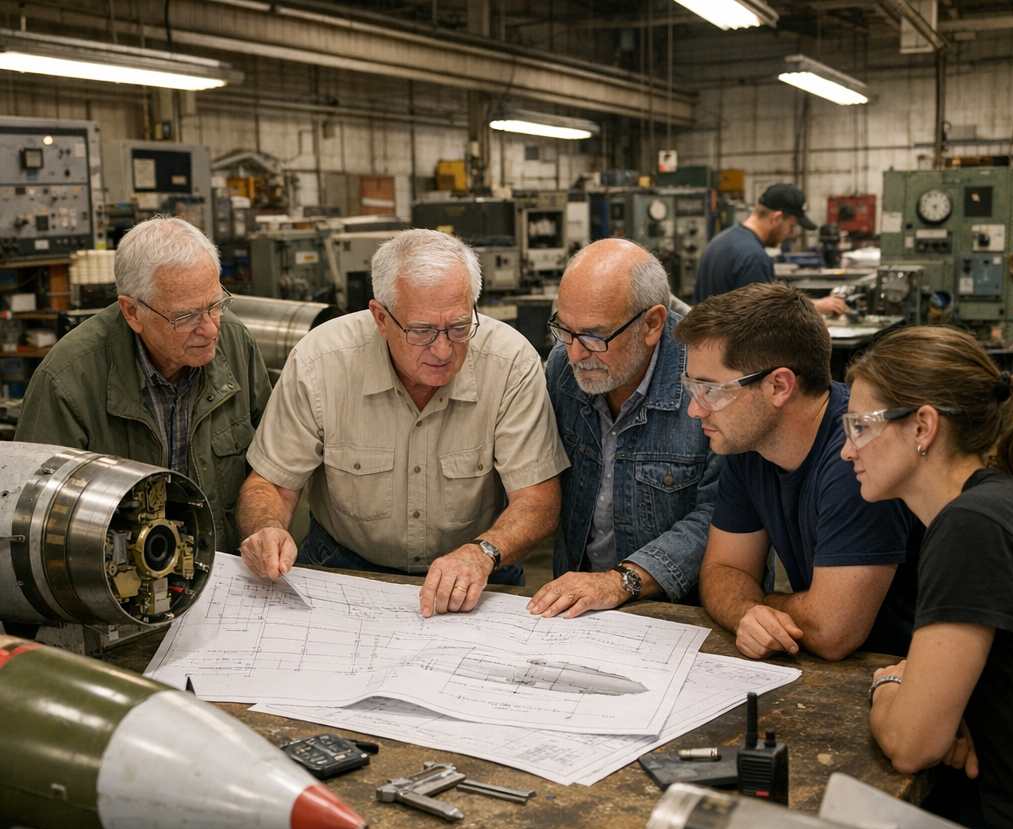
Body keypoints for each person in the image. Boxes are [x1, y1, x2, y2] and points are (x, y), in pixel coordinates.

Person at [238, 228, 568, 617]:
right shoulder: (320, 362)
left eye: (460, 327)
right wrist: (267, 530)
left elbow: (539, 500)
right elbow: (272, 484)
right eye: (422, 332)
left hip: (480, 575)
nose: (443, 350)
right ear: (380, 317)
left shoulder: (510, 363)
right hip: (343, 571)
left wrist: (483, 553)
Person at [843, 327, 1013, 829]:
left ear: (923, 426)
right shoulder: (995, 502)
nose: (846, 451)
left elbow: (910, 744)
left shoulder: (970, 529)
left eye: (860, 427)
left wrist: (891, 685)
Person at [679, 283, 920, 661]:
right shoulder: (747, 443)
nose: (696, 410)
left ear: (779, 386)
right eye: (691, 389)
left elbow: (832, 631)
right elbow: (724, 568)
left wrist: (765, 602)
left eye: (710, 391)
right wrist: (748, 611)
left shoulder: (856, 457)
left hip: (901, 671)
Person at [16, 216, 271, 553]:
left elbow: (271, 466)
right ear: (132, 312)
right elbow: (34, 523)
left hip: (224, 570)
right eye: (186, 316)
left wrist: (267, 527)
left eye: (216, 305)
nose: (210, 329)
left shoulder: (234, 343)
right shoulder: (67, 381)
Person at [527, 239, 719, 618]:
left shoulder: (711, 384)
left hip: (685, 616)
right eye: (564, 330)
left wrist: (620, 582)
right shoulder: (562, 370)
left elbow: (721, 517)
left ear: (652, 324)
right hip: (583, 610)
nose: (576, 352)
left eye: (596, 337)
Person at [693, 183, 847, 317]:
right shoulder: (754, 258)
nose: (790, 234)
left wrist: (816, 305)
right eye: (792, 226)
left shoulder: (723, 240)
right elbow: (765, 320)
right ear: (776, 218)